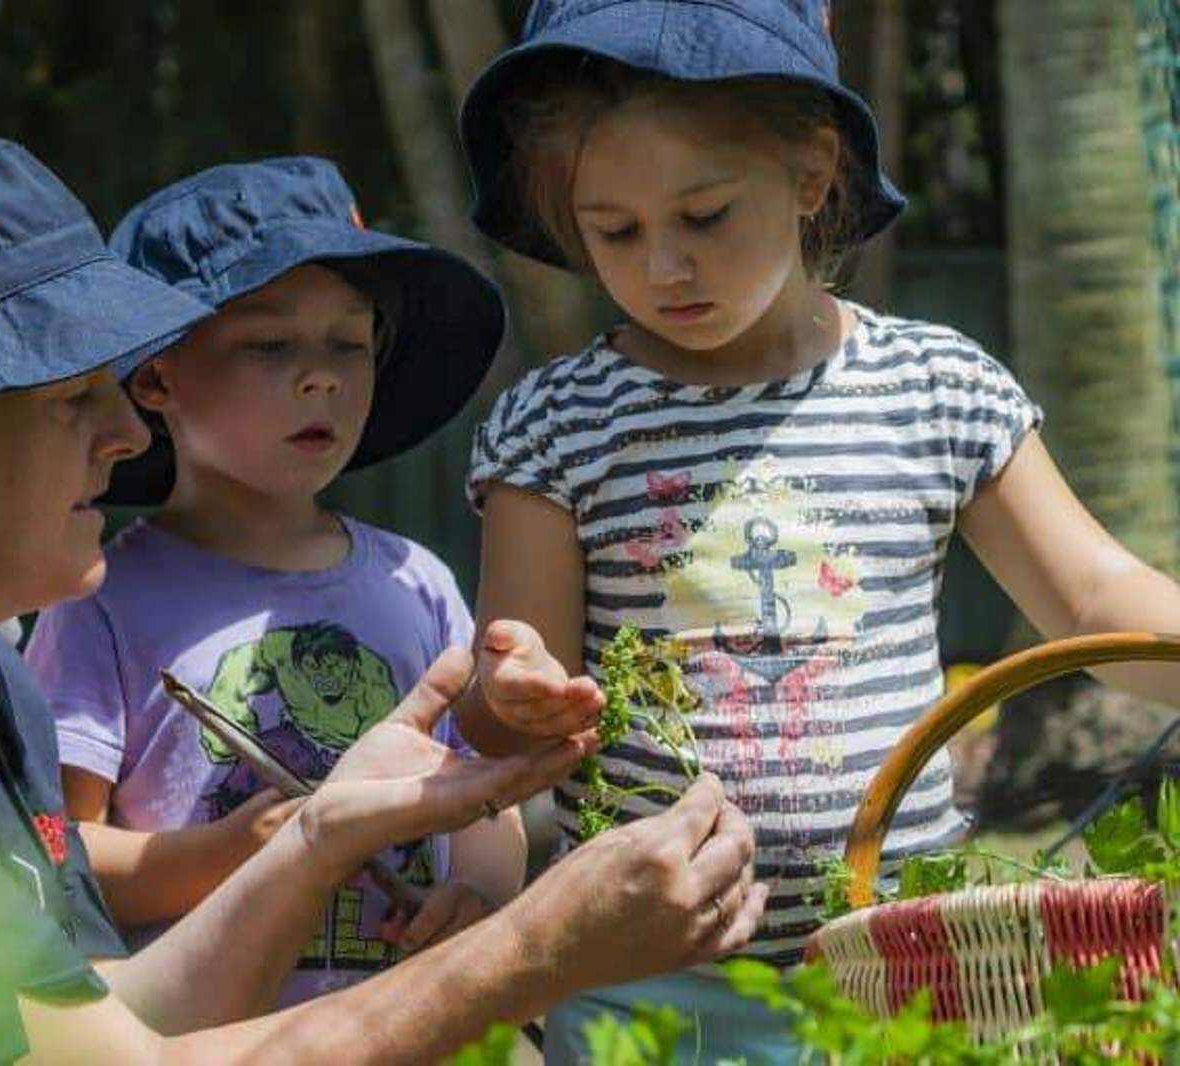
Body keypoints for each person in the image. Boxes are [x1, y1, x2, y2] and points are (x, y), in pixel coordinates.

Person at [0, 132, 766, 1063]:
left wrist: (325, 833)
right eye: (73, 398)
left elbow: (104, 1013)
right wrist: (535, 949)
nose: (123, 431)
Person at [445, 0, 1180, 1062]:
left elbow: (1093, 598)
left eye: (704, 216)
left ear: (811, 171)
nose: (664, 267)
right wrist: (512, 694)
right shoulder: (558, 424)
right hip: (646, 985)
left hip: (911, 964)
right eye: (615, 232)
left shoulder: (934, 387)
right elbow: (508, 712)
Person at [24, 156, 521, 1005]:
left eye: (349, 344)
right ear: (157, 378)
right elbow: (57, 851)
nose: (322, 376)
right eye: (270, 344)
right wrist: (236, 853)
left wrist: (476, 895)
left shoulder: (419, 582)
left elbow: (483, 797)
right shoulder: (99, 596)